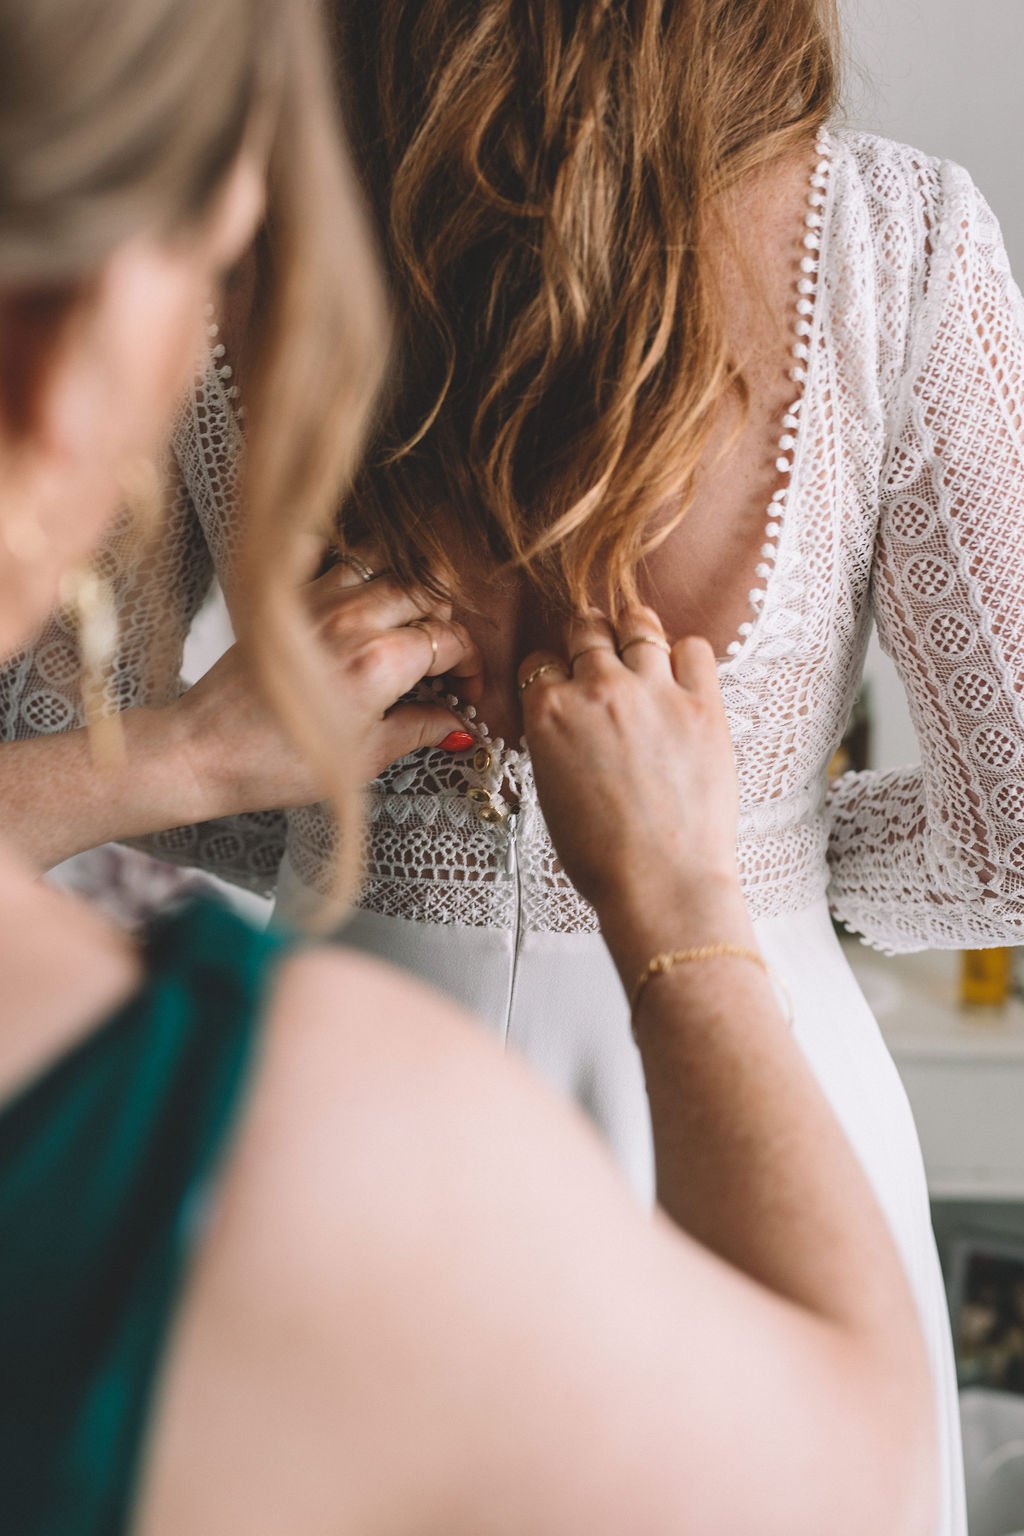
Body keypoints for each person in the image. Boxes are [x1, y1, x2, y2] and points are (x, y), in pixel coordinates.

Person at [0, 0, 939, 1532]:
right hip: (747, 1074)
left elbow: (63, 727)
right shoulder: (895, 238)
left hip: (340, 1010)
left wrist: (255, 791)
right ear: (63, 359)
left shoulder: (247, 230)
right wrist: (743, 858)